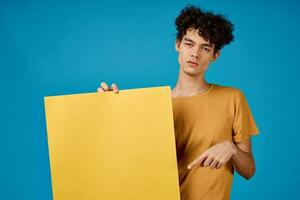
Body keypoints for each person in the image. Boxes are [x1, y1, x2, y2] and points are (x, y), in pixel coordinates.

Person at [97, 5, 259, 200]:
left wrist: (232, 149)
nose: (195, 54)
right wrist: (110, 107)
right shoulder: (153, 105)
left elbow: (249, 170)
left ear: (215, 55)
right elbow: (123, 158)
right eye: (189, 44)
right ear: (177, 45)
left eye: (205, 48)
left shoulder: (232, 98)